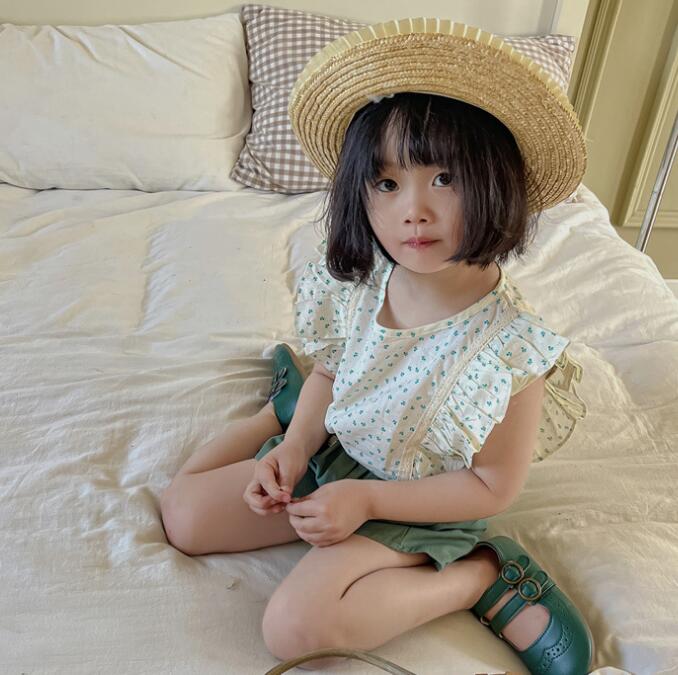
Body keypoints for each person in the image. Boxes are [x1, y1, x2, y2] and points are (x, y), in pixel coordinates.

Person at [160, 17, 593, 674]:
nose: (412, 209)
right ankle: (280, 410)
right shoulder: (361, 286)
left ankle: (479, 576)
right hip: (337, 456)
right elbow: (332, 372)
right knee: (184, 517)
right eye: (387, 183)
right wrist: (294, 448)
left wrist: (368, 502)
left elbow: (490, 486)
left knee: (296, 628)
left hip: (421, 503)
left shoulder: (509, 347)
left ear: (496, 180)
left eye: (444, 178)